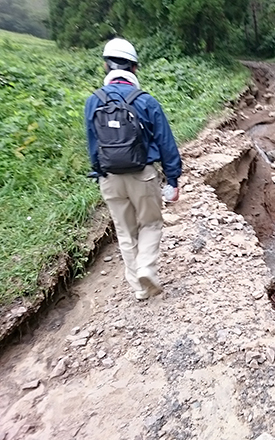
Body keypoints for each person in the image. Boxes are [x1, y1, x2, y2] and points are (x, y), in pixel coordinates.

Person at [84, 38, 182, 300]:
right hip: (143, 175)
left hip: (110, 177)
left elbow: (93, 144)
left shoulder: (93, 101)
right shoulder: (146, 101)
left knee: (125, 231)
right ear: (134, 68)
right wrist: (172, 178)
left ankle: (139, 290)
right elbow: (165, 142)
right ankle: (146, 268)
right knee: (150, 223)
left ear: (106, 65)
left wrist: (99, 171)